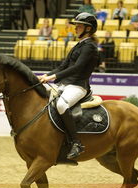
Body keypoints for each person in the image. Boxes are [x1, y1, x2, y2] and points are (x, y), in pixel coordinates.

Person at [38, 12, 99, 160]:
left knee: (61, 105)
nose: (76, 28)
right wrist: (46, 75)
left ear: (88, 29)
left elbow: (77, 68)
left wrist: (54, 77)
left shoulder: (89, 47)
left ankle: (76, 143)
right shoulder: (78, 45)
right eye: (76, 25)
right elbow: (63, 66)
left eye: (79, 26)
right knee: (43, 98)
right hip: (65, 84)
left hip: (78, 86)